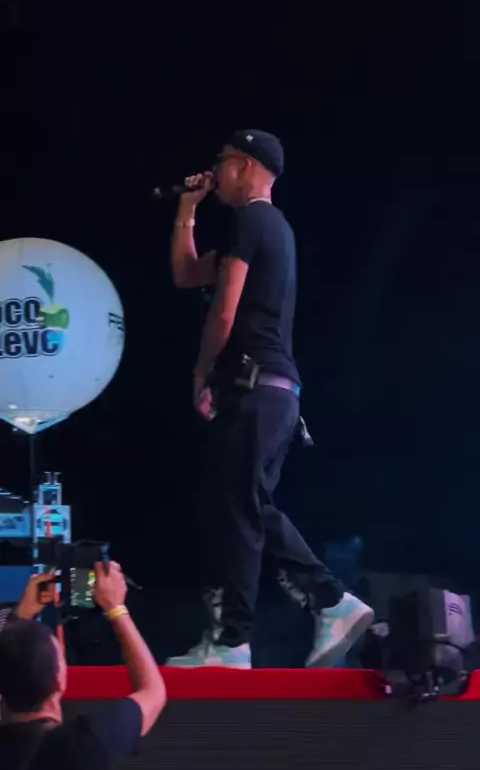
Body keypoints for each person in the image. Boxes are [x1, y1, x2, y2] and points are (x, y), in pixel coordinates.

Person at [168, 129, 374, 669]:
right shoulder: (268, 229)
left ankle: (237, 639)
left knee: (238, 510)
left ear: (242, 165)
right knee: (244, 506)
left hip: (254, 388)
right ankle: (326, 605)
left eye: (221, 162)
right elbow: (187, 274)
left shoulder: (252, 221)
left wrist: (202, 371)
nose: (215, 173)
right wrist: (187, 210)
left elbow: (225, 310)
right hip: (275, 394)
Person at [0, 561, 166, 769]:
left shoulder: (87, 741)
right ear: (59, 682)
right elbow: (154, 692)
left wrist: (18, 618)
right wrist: (115, 607)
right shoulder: (85, 745)